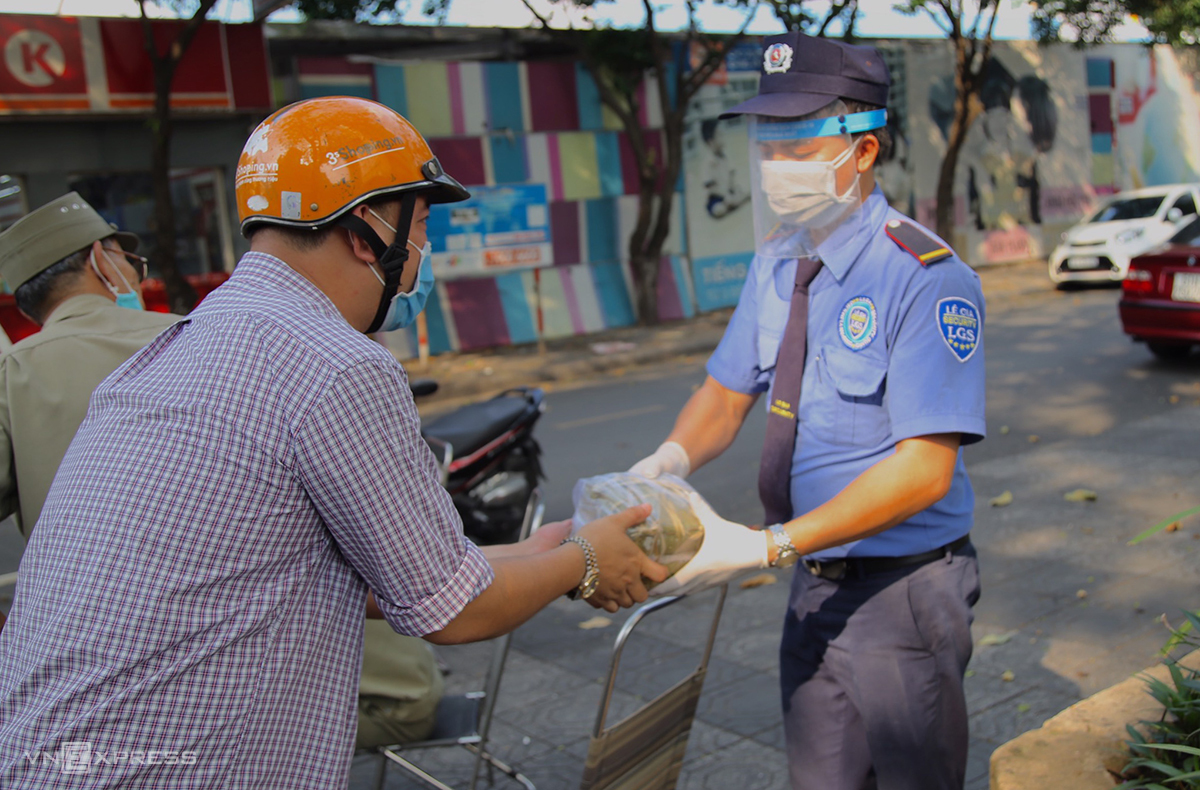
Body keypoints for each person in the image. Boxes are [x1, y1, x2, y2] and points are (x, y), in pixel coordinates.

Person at [0, 96, 666, 788]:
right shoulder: (336, 362)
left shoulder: (183, 344)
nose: (422, 254)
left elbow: (285, 574)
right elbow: (455, 609)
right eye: (422, 224)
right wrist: (587, 559)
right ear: (365, 228)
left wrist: (534, 552)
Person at [633, 32, 986, 790]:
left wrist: (766, 547)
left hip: (905, 591)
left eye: (800, 140)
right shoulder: (779, 260)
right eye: (771, 139)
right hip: (814, 585)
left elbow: (925, 472)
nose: (776, 162)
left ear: (862, 149)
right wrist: (666, 462)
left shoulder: (926, 277)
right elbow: (728, 394)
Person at [0, 193, 180, 540]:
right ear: (101, 259)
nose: (136, 275)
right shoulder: (191, 336)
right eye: (130, 261)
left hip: (73, 590)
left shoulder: (14, 370)